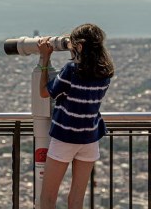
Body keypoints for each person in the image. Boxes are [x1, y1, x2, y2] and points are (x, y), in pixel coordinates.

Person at [37, 23, 114, 209]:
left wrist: (45, 58)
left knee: (47, 198)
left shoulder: (72, 70)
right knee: (76, 200)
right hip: (89, 139)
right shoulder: (105, 73)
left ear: (80, 46)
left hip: (65, 137)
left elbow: (44, 92)